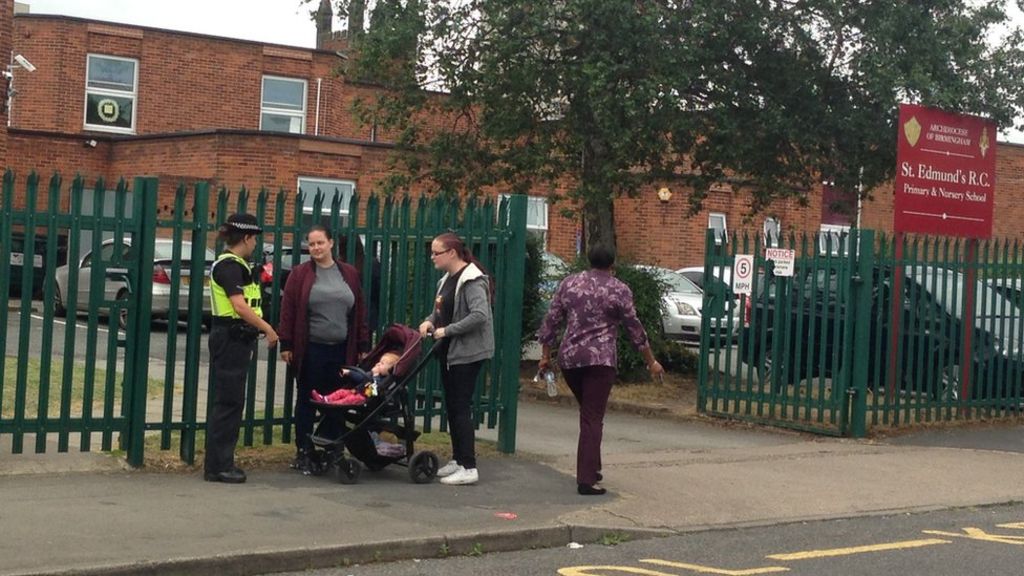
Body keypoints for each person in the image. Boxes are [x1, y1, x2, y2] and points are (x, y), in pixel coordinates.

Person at [537, 244, 664, 495]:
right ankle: (586, 479)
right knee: (593, 417)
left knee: (588, 414)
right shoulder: (619, 289)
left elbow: (551, 320)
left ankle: (592, 466)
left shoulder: (569, 284)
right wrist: (650, 361)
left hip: (570, 358)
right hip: (601, 360)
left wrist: (545, 355)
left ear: (588, 260)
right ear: (612, 264)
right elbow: (633, 327)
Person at [278, 225, 371, 473]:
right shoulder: (300, 274)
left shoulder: (348, 273)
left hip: (342, 349)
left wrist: (363, 344)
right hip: (312, 349)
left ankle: (333, 447)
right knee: (308, 399)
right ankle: (305, 450)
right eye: (312, 244)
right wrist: (286, 343)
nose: (316, 248)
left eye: (320, 243)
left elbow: (359, 310)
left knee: (338, 401)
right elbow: (287, 310)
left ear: (331, 244)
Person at [204, 213, 279, 484]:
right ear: (246, 237)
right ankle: (218, 466)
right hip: (230, 337)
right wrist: (268, 328)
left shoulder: (237, 265)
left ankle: (221, 463)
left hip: (236, 337)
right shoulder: (229, 266)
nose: (256, 244)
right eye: (254, 239)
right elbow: (239, 306)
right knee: (228, 403)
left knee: (232, 401)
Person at [418, 232, 494, 486]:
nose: (432, 257)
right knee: (452, 406)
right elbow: (441, 309)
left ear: (451, 253)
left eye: (436, 252)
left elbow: (480, 315)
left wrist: (447, 330)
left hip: (467, 353)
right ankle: (458, 459)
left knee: (461, 407)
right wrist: (430, 321)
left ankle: (469, 466)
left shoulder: (472, 280)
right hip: (449, 351)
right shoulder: (447, 280)